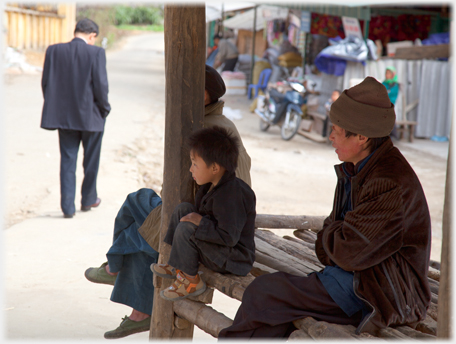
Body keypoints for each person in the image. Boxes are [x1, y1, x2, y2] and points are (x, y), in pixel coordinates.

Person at [218, 76, 431, 339]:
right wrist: (338, 235)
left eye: (336, 131)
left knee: (264, 292)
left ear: (362, 136)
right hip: (356, 276)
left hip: (382, 292)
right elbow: (335, 238)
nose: (330, 137)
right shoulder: (358, 168)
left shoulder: (388, 182)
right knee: (271, 314)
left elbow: (346, 252)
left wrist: (336, 236)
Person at [84, 64, 252, 339]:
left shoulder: (208, 129)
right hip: (204, 210)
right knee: (146, 225)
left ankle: (116, 269)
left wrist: (193, 216)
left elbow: (220, 194)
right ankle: (138, 310)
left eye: (189, 89)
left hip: (215, 220)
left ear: (206, 95)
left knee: (138, 207)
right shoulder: (214, 123)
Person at [151, 126, 256, 300]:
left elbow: (229, 237)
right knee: (182, 210)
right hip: (218, 250)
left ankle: (191, 281)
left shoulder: (232, 195)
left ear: (214, 168)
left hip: (233, 259)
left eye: (195, 164)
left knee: (186, 228)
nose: (191, 169)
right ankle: (177, 265)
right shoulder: (210, 186)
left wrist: (200, 222)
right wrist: (197, 220)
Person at [40, 18, 111, 218]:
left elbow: (46, 84)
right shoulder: (96, 52)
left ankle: (67, 208)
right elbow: (101, 87)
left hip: (65, 118)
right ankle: (88, 200)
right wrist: (104, 109)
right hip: (91, 118)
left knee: (68, 160)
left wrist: (58, 108)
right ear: (92, 36)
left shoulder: (53, 51)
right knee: (91, 161)